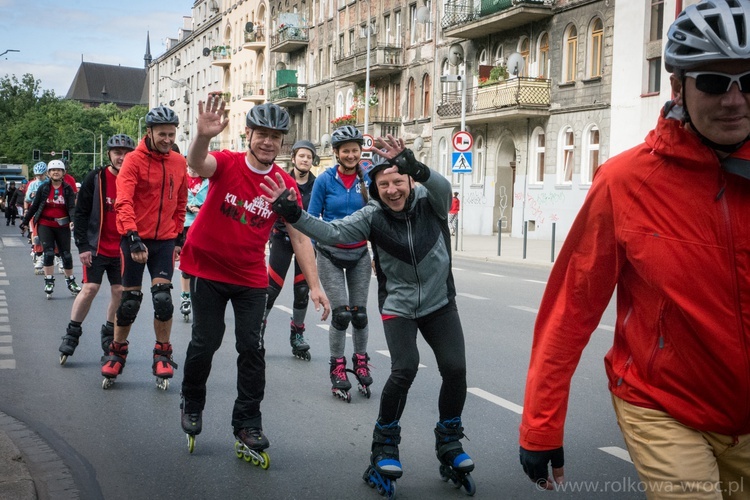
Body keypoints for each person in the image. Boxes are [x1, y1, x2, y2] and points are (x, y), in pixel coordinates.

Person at [518, 1, 750, 498]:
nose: (735, 100)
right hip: (664, 405)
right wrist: (541, 426)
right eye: (713, 81)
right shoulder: (625, 182)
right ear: (678, 88)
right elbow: (570, 310)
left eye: (749, 81)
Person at [261, 135, 475, 495]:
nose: (392, 190)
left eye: (398, 181)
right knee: (404, 368)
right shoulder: (372, 215)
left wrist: (414, 164)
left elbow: (443, 185)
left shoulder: (430, 201)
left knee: (455, 368)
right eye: (383, 184)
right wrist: (294, 215)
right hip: (399, 306)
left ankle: (450, 440)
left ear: (409, 180)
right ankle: (384, 444)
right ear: (374, 189)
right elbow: (332, 231)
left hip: (440, 302)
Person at [179, 98, 329, 458]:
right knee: (207, 341)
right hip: (206, 268)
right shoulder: (228, 163)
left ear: (283, 143)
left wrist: (316, 285)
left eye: (276, 137)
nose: (268, 142)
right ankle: (192, 401)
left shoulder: (284, 185)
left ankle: (248, 422)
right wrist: (202, 135)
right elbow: (196, 162)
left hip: (248, 276)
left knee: (252, 347)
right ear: (248, 134)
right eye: (262, 134)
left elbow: (299, 236)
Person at [102, 105, 188, 390]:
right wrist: (132, 234)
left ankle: (162, 353)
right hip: (134, 238)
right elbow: (123, 201)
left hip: (164, 240)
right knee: (130, 303)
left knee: (163, 299)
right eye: (162, 134)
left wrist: (177, 235)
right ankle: (117, 350)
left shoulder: (178, 161)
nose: (167, 139)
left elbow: (181, 200)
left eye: (171, 134)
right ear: (148, 132)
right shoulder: (133, 161)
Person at [307, 125, 373, 401]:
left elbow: (378, 215)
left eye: (355, 150)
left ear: (360, 152)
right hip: (330, 254)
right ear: (336, 153)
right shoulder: (324, 181)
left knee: (359, 314)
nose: (350, 154)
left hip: (359, 254)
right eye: (345, 150)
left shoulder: (368, 179)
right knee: (342, 313)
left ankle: (360, 360)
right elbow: (310, 218)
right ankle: (337, 366)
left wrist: (378, 256)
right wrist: (311, 258)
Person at [58, 135, 135, 365]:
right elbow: (80, 213)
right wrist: (82, 246)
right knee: (90, 288)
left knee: (120, 291)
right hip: (97, 245)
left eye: (126, 153)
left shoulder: (134, 179)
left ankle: (109, 333)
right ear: (109, 154)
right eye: (117, 152)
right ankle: (72, 332)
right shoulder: (97, 177)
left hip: (122, 248)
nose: (121, 157)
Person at [262, 139, 318, 360]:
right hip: (282, 238)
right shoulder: (282, 180)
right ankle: (259, 330)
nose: (305, 160)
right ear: (293, 158)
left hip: (306, 242)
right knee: (271, 289)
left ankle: (297, 334)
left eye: (309, 157)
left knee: (302, 291)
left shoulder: (317, 184)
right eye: (301, 156)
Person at [19, 160, 81, 297]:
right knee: (48, 253)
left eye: (59, 170)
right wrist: (24, 221)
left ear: (63, 173)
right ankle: (49, 281)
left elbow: (71, 207)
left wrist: (73, 221)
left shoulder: (67, 189)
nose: (56, 172)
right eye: (53, 170)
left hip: (62, 225)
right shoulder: (44, 188)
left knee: (66, 254)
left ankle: (71, 281)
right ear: (49, 173)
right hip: (45, 224)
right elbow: (34, 206)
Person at [178, 164, 209, 322]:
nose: (193, 168)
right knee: (187, 264)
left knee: (203, 264)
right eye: (190, 164)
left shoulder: (208, 181)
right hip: (186, 225)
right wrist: (187, 207)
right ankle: (185, 297)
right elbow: (175, 200)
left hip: (204, 225)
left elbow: (215, 200)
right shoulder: (181, 179)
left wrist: (202, 207)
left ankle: (203, 298)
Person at [25, 162, 49, 273]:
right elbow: (28, 199)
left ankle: (57, 257)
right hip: (36, 214)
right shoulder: (32, 184)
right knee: (36, 237)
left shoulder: (50, 183)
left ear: (46, 173)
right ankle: (39, 256)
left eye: (41, 175)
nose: (39, 177)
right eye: (37, 175)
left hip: (48, 212)